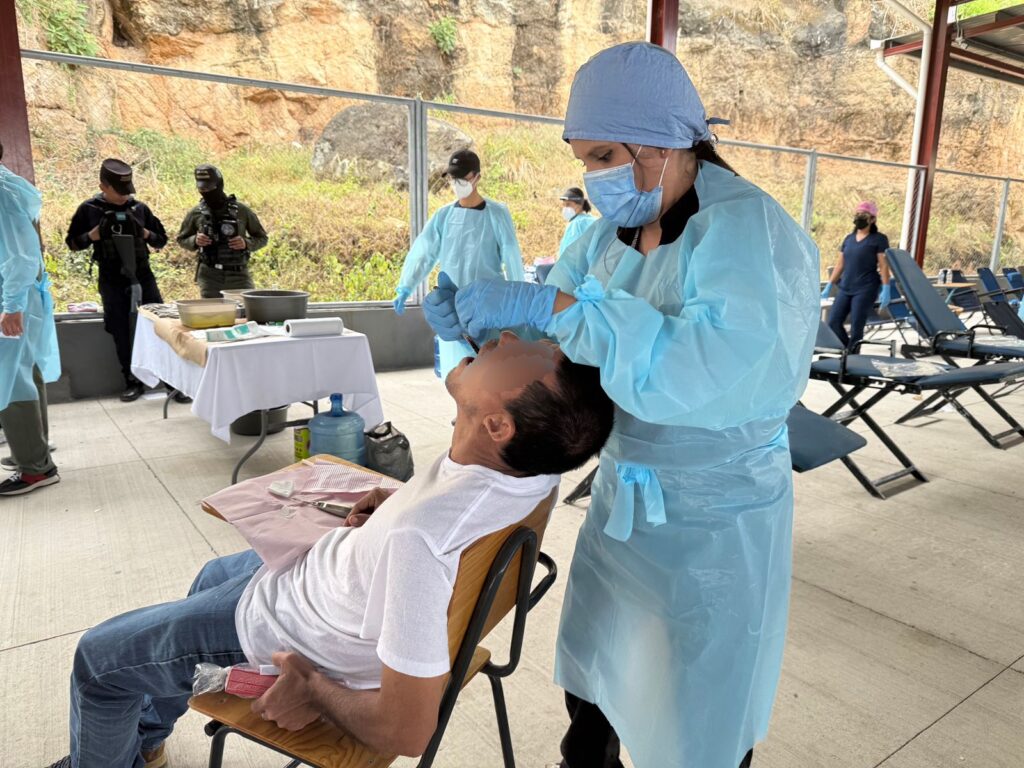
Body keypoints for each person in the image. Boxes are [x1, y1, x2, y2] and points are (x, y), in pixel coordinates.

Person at [422, 42, 819, 768]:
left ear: (666, 142)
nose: (595, 177)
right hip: (624, 497)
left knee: (699, 699)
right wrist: (491, 326)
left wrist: (558, 310)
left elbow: (709, 369)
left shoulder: (749, 232)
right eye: (585, 159)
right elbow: (566, 335)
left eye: (605, 155)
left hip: (715, 515)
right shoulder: (608, 234)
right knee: (597, 677)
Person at [43, 332, 614, 768]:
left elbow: (407, 730)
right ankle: (145, 741)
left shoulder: (420, 540)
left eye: (523, 359)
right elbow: (447, 520)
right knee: (210, 574)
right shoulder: (534, 473)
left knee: (97, 662)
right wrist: (392, 507)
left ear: (497, 426)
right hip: (324, 582)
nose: (506, 339)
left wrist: (314, 690)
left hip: (294, 628)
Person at [392, 149, 524, 378]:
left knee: (490, 373)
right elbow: (423, 252)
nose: (457, 183)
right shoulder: (443, 216)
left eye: (463, 177)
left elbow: (512, 256)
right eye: (454, 178)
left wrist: (518, 299)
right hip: (452, 308)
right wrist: (406, 286)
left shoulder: (496, 214)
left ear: (477, 177)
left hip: (487, 306)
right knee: (456, 374)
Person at [65, 159, 168, 402]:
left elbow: (161, 239)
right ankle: (131, 381)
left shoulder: (139, 208)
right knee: (120, 329)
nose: (124, 196)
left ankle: (172, 381)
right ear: (103, 186)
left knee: (160, 324)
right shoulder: (89, 209)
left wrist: (144, 232)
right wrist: (93, 236)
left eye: (127, 191)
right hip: (111, 277)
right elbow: (72, 243)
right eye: (119, 191)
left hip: (143, 274)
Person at [0, 142, 61, 497]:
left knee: (9, 379)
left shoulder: (1, 194)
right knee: (25, 371)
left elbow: (21, 255)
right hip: (19, 296)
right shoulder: (8, 183)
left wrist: (11, 306)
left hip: (13, 299)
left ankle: (36, 468)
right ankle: (33, 450)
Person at [176, 164, 268, 298]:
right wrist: (195, 240)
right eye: (202, 189)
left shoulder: (241, 211)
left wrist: (246, 243)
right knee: (211, 310)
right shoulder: (196, 213)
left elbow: (262, 238)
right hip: (209, 277)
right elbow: (181, 239)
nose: (206, 192)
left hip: (239, 275)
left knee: (246, 309)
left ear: (218, 185)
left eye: (209, 188)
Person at [823, 200, 892, 349]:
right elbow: (840, 265)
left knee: (856, 326)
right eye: (858, 214)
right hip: (845, 287)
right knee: (833, 322)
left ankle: (852, 356)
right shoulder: (848, 239)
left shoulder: (879, 239)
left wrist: (886, 287)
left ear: (872, 219)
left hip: (866, 288)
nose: (860, 217)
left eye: (864, 215)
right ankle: (848, 350)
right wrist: (829, 285)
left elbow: (883, 265)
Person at [557, 187, 596, 259]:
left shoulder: (577, 224)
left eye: (568, 204)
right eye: (564, 205)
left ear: (579, 205)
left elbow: (570, 255)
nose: (565, 208)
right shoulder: (593, 220)